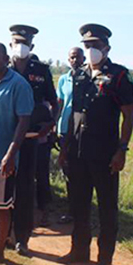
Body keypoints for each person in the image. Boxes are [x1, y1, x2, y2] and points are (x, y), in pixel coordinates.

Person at [58, 24, 133, 265]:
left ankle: (105, 258)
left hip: (105, 153)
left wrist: (121, 150)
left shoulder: (120, 76)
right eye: (87, 46)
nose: (91, 51)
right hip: (79, 152)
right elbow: (74, 115)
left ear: (107, 48)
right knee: (79, 204)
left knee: (106, 207)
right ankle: (79, 251)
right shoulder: (78, 75)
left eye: (95, 46)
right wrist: (65, 148)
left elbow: (128, 115)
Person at [0, 42, 34, 265]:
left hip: (0, 157)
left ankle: (0, 250)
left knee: (1, 207)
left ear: (6, 58)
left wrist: (10, 154)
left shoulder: (18, 85)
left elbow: (24, 121)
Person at [8, 24, 58, 256]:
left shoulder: (41, 70)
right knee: (3, 185)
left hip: (29, 139)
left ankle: (22, 239)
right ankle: (1, 232)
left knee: (25, 187)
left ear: (32, 46)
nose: (21, 47)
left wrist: (49, 125)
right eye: (17, 42)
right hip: (4, 138)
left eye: (25, 43)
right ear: (10, 44)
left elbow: (53, 101)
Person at [56, 47, 85, 224]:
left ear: (83, 59)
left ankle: (78, 209)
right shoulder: (63, 80)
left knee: (78, 171)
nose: (75, 60)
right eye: (72, 58)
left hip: (80, 131)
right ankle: (71, 209)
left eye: (78, 57)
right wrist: (54, 123)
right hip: (63, 130)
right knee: (67, 170)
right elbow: (60, 103)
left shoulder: (88, 79)